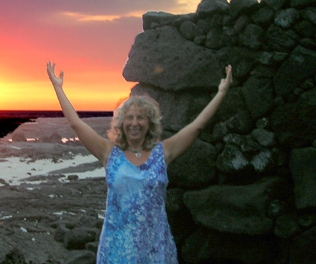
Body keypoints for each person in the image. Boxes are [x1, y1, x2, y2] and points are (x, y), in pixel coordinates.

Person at [46, 61, 233, 263]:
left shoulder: (164, 152)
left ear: (149, 123)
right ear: (122, 123)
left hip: (156, 249)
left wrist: (221, 92)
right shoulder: (108, 153)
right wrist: (58, 88)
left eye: (141, 118)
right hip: (117, 249)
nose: (134, 123)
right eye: (129, 118)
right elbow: (76, 123)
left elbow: (197, 127)